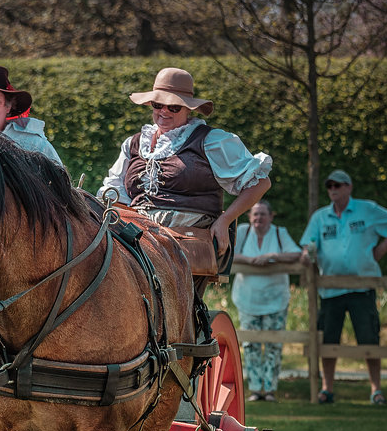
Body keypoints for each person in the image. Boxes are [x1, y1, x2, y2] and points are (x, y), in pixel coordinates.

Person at [97, 67, 272, 281]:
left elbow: (260, 182)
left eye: (174, 107)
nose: (164, 112)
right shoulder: (133, 144)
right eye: (158, 105)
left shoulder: (211, 141)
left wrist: (225, 220)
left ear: (188, 109)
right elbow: (113, 192)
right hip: (136, 238)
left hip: (187, 242)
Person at [300, 169, 387, 405]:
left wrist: (380, 251)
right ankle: (327, 389)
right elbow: (308, 247)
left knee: (369, 338)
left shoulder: (367, 209)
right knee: (328, 341)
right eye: (329, 186)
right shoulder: (320, 217)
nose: (333, 189)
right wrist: (307, 255)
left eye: (338, 185)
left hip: (362, 287)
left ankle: (376, 390)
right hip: (330, 288)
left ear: (349, 187)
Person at [231, 200, 302, 402]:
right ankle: (255, 389)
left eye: (262, 214)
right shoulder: (243, 232)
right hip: (248, 299)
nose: (258, 218)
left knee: (273, 345)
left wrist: (272, 256)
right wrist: (249, 260)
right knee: (251, 345)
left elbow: (296, 254)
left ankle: (270, 389)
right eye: (255, 214)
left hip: (275, 299)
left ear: (271, 216)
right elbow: (228, 254)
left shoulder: (280, 233)